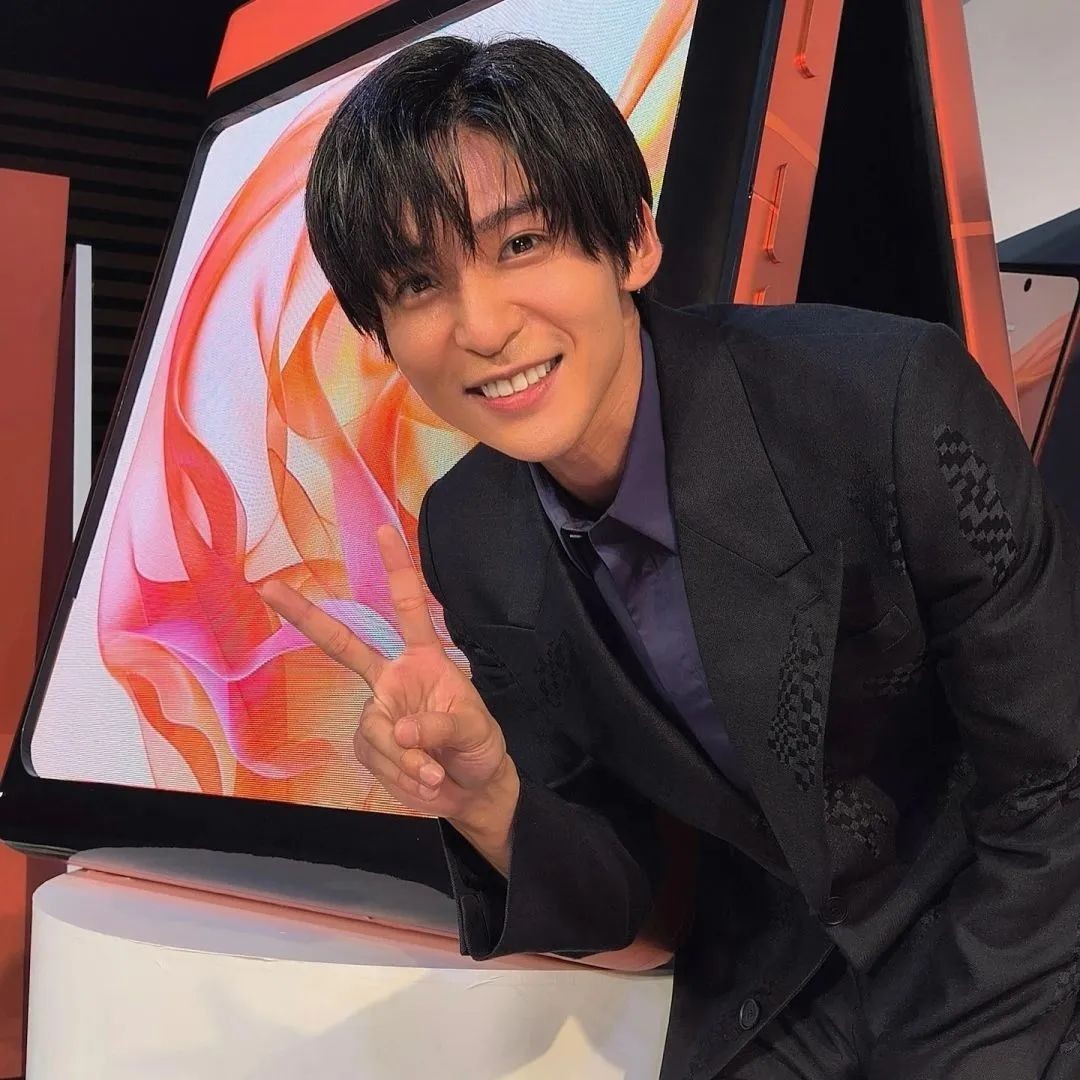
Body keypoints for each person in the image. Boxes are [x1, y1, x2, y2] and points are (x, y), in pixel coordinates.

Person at [258, 35, 1080, 1079]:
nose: (482, 326)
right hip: (778, 988)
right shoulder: (472, 535)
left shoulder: (888, 402)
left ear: (634, 243)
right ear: (381, 332)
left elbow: (1055, 791)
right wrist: (490, 803)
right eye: (419, 282)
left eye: (521, 244)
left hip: (1014, 937)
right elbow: (628, 885)